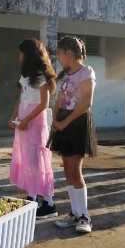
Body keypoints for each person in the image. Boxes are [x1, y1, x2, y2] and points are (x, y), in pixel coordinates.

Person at [49, 36, 97, 234]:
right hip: (63, 122)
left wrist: (64, 122)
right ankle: (74, 213)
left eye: (59, 54)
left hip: (77, 122)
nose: (59, 58)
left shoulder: (87, 72)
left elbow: (86, 104)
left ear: (68, 53)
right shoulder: (65, 75)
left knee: (75, 170)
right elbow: (60, 99)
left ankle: (85, 216)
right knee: (67, 169)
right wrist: (54, 120)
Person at [9, 39, 57, 218]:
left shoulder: (41, 77)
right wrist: (14, 116)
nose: (19, 56)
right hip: (23, 121)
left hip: (35, 123)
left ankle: (49, 203)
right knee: (28, 160)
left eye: (21, 53)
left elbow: (44, 104)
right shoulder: (24, 76)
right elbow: (21, 98)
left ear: (28, 55)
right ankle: (33, 197)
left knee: (37, 161)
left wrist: (27, 120)